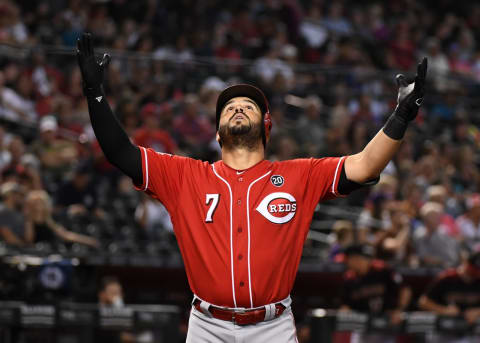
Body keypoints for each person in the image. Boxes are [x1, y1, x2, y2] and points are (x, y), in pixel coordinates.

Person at [76, 32, 427, 342]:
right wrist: (94, 94)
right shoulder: (184, 175)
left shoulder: (301, 175)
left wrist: (401, 116)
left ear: (267, 127)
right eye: (229, 107)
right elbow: (120, 152)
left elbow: (365, 164)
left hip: (272, 327)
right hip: (206, 326)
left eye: (248, 106)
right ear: (217, 132)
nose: (238, 108)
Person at [339, 244, 412, 343]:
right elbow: (345, 305)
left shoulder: (382, 270)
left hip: (387, 323)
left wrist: (399, 309)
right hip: (363, 327)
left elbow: (405, 289)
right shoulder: (349, 278)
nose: (348, 263)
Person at [418, 251, 480, 343]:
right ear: (466, 263)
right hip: (444, 329)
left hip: (471, 330)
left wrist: (478, 311)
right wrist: (443, 310)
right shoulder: (447, 278)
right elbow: (423, 302)